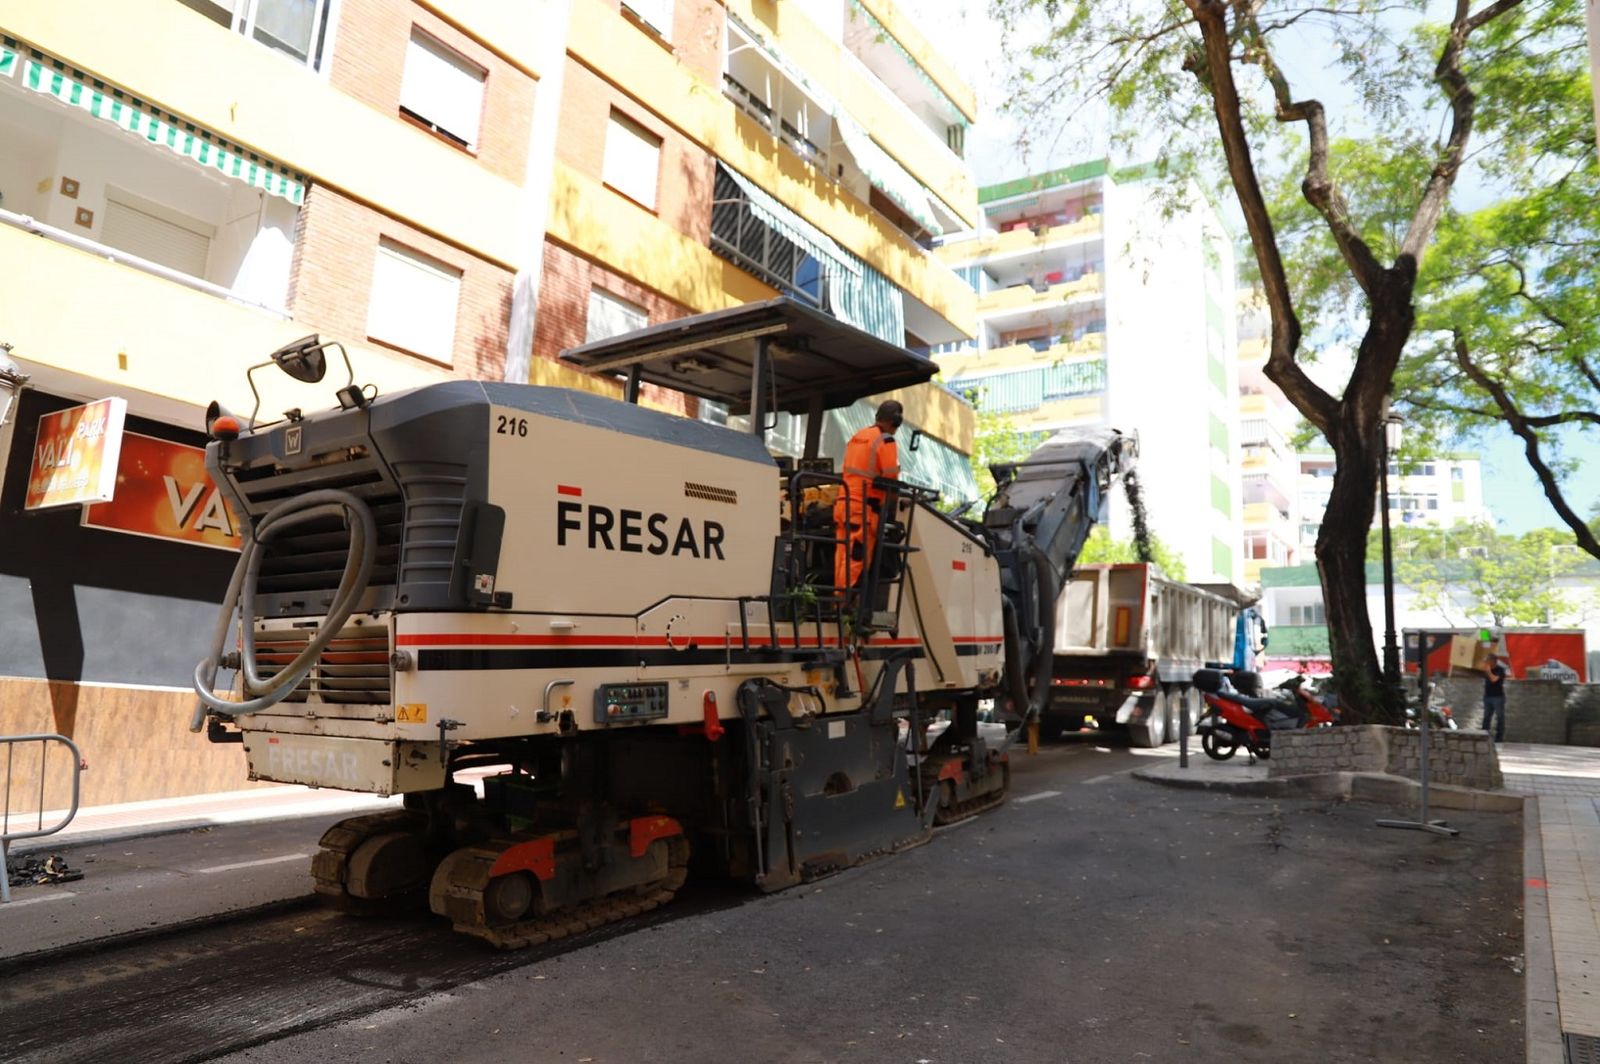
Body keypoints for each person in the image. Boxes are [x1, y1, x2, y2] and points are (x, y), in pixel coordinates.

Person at [833, 400, 902, 591]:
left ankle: (838, 596)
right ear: (896, 421)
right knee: (857, 555)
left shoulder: (858, 436)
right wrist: (894, 503)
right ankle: (844, 602)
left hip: (843, 503)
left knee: (842, 553)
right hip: (864, 508)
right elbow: (891, 477)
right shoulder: (885, 440)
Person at [1481, 652, 1509, 743]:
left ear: (1493, 661)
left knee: (1500, 717)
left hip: (1498, 697)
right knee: (1486, 717)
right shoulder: (1486, 670)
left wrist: (1488, 671)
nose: (1486, 663)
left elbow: (1494, 679)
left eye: (1488, 661)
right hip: (1487, 697)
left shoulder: (1500, 670)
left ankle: (1499, 739)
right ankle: (1484, 737)